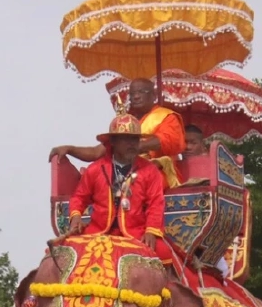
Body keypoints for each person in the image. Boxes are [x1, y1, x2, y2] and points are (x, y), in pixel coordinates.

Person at [50, 78, 186, 187]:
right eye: (132, 94)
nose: (136, 97)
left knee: (133, 182)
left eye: (141, 92)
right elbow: (96, 152)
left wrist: (135, 148)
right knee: (96, 178)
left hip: (158, 173)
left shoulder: (167, 117)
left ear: (154, 95)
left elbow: (170, 141)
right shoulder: (127, 123)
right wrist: (69, 149)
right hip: (126, 172)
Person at [65, 113, 166, 252]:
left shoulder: (150, 171)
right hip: (98, 231)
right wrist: (76, 217)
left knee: (163, 251)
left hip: (136, 233)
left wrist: (151, 231)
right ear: (113, 141)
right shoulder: (95, 169)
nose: (132, 144)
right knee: (65, 250)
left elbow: (156, 203)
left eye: (135, 139)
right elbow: (79, 197)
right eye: (126, 139)